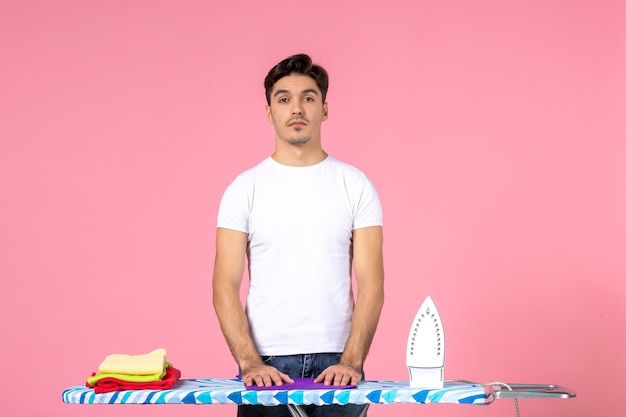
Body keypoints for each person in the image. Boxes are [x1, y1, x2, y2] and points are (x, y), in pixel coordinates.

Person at [212, 54, 384, 417]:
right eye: (284, 98)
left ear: (324, 109)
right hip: (266, 365)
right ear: (269, 111)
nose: (297, 108)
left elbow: (371, 284)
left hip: (338, 364)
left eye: (308, 98)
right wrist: (249, 363)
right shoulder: (244, 189)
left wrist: (352, 361)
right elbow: (224, 286)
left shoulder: (355, 185)